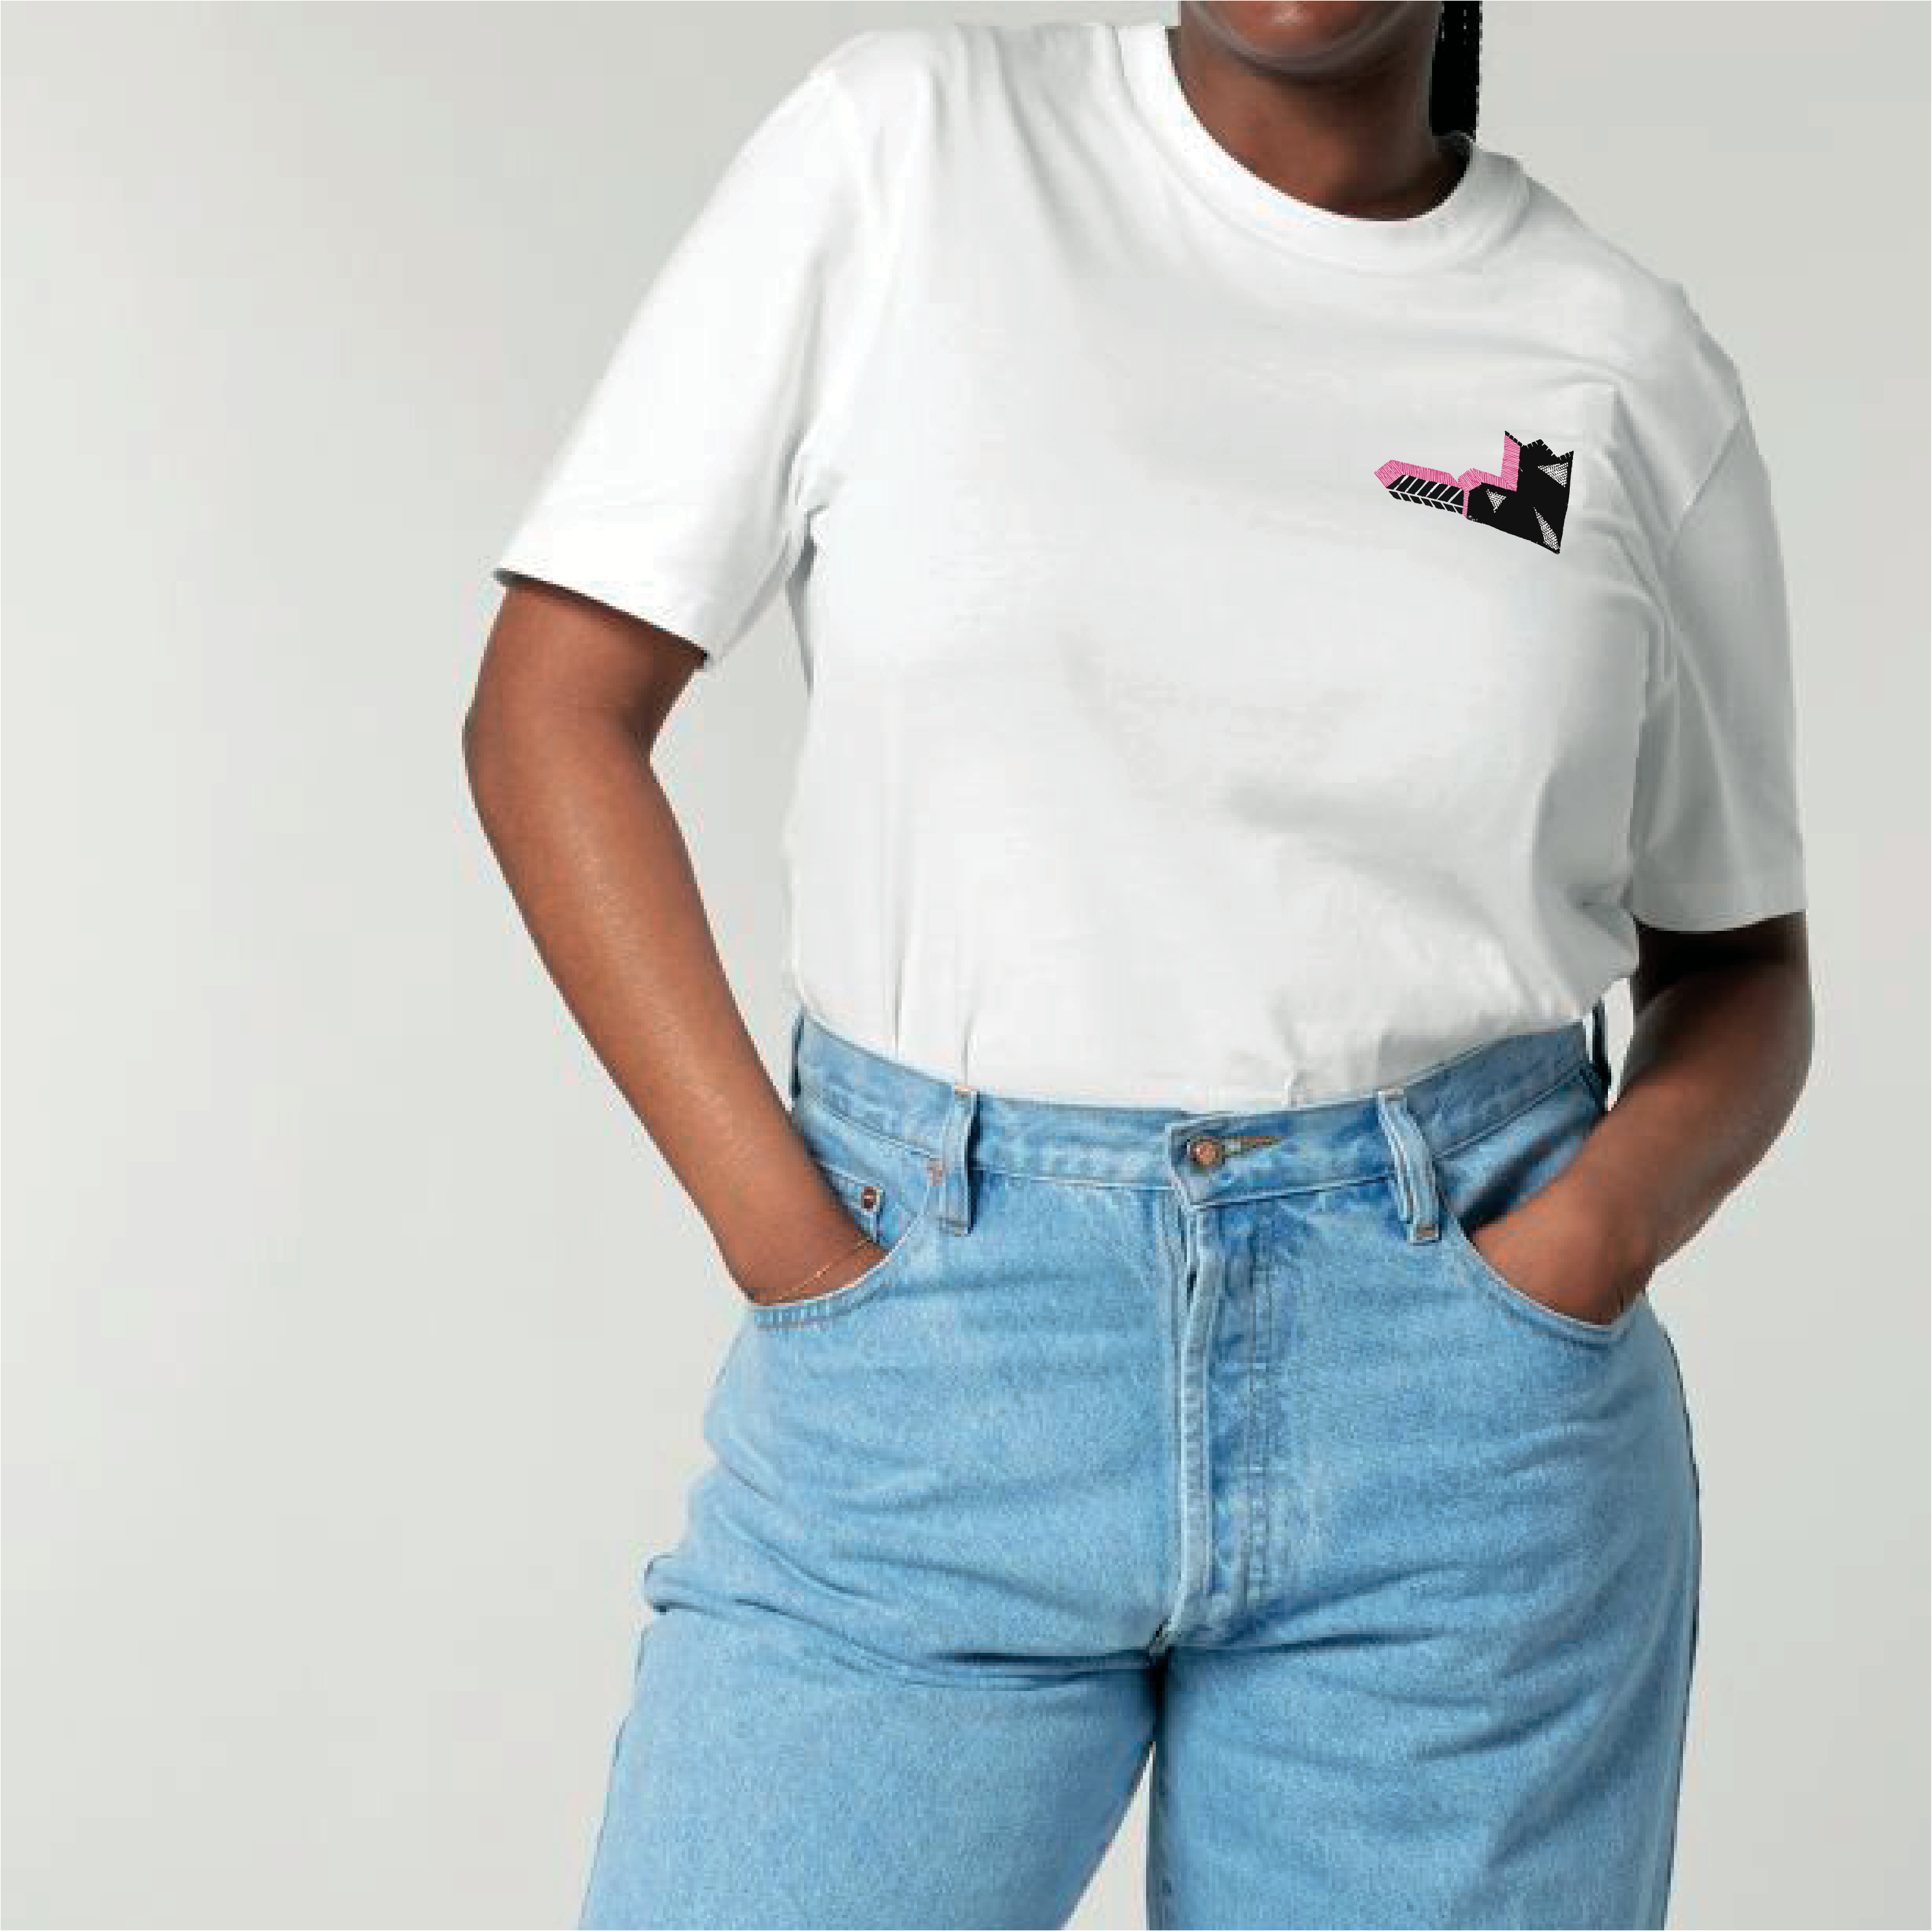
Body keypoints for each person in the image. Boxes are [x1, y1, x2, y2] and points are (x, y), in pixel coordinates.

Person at [463, 5, 1814, 1926]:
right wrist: (791, 1237)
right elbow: (550, 714)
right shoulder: (916, 149)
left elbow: (1741, 963)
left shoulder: (1623, 359)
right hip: (937, 1345)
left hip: (1459, 1419)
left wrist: (1577, 1252)